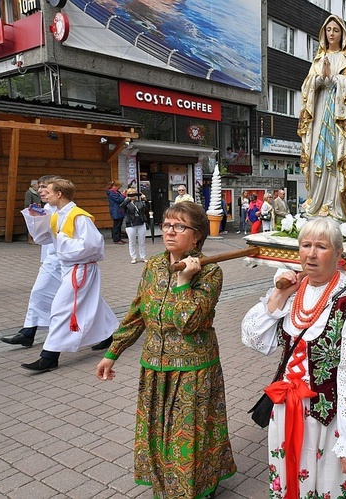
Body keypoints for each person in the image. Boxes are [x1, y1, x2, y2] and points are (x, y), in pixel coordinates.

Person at [96, 201, 237, 498]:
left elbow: (189, 321)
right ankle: (165, 484)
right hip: (155, 365)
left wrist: (183, 282)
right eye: (167, 224)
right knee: (159, 430)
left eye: (179, 226)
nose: (169, 231)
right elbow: (138, 312)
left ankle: (198, 487)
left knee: (189, 434)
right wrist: (113, 352)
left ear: (196, 235)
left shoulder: (209, 272)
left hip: (193, 368)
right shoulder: (154, 265)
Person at [241, 217, 346, 498]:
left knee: (329, 485)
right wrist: (279, 295)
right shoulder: (293, 294)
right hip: (287, 408)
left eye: (321, 246)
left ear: (339, 254)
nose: (311, 254)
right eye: (305, 245)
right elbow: (255, 340)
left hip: (330, 417)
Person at [21, 179, 118, 372]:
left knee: (61, 309)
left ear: (59, 194)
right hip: (70, 267)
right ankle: (109, 336)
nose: (43, 193)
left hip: (80, 269)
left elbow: (92, 246)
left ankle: (49, 356)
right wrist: (36, 219)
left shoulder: (79, 217)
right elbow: (44, 238)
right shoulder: (57, 215)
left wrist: (63, 242)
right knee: (92, 304)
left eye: (47, 190)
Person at [298, 14, 346, 221]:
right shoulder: (317, 60)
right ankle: (316, 202)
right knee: (317, 151)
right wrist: (318, 80)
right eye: (329, 30)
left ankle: (334, 205)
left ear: (342, 34)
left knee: (334, 156)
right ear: (324, 33)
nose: (332, 33)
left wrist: (335, 80)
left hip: (338, 118)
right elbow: (306, 88)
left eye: (336, 30)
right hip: (318, 113)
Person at [1, 175, 62, 348]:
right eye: (39, 187)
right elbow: (41, 237)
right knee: (38, 292)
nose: (40, 190)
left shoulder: (66, 210)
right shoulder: (47, 207)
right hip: (50, 260)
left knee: (80, 300)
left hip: (66, 262)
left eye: (44, 187)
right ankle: (28, 332)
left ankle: (106, 333)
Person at [121, 188, 149, 264]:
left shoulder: (139, 202)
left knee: (142, 241)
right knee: (132, 241)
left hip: (141, 223)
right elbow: (121, 207)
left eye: (134, 193)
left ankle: (143, 256)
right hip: (130, 224)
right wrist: (127, 199)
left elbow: (147, 208)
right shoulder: (126, 202)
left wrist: (145, 199)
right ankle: (133, 257)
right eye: (131, 193)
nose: (133, 195)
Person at [107, 180, 126, 244]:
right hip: (115, 210)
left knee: (119, 225)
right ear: (115, 186)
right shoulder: (111, 192)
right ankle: (116, 239)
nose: (119, 188)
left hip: (119, 210)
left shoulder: (116, 192)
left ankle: (119, 238)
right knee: (116, 225)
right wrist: (123, 195)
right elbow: (119, 200)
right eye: (119, 187)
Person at [25, 179, 41, 244]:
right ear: (34, 185)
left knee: (36, 226)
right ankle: (30, 240)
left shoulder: (38, 192)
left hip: (38, 211)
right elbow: (27, 203)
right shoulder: (29, 193)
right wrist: (33, 208)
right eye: (38, 184)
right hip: (31, 211)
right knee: (31, 225)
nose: (39, 186)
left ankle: (35, 239)